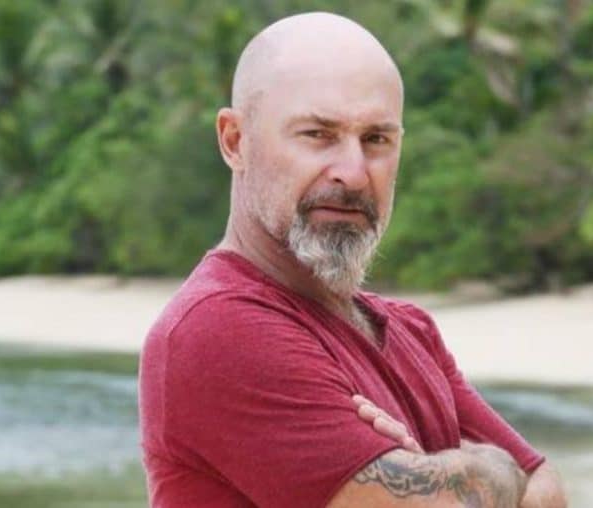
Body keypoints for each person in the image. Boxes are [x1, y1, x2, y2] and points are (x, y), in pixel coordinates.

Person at [138, 11, 567, 508]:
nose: (354, 173)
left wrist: (442, 474)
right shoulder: (215, 328)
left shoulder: (411, 331)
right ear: (235, 141)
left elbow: (549, 491)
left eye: (376, 139)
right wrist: (491, 465)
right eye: (318, 135)